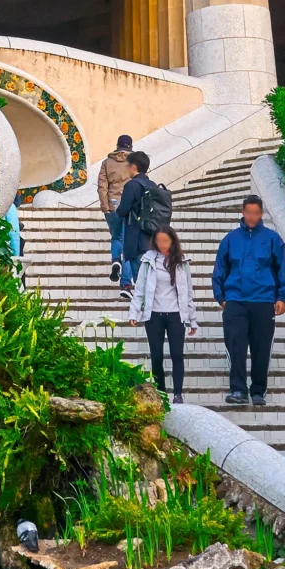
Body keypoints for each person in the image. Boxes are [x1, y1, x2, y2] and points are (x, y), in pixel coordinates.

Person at [212, 195, 285, 407]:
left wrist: (282, 296)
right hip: (235, 300)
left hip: (264, 300)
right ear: (242, 212)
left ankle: (258, 391)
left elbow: (281, 269)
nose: (252, 217)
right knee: (236, 346)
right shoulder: (230, 239)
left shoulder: (272, 239)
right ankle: (238, 390)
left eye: (256, 213)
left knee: (261, 347)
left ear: (261, 214)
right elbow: (220, 268)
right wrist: (221, 296)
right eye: (248, 212)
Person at [126, 226, 197, 402]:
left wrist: (192, 320)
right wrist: (134, 312)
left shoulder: (182, 262)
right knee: (156, 355)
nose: (162, 244)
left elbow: (188, 292)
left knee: (177, 354)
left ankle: (178, 394)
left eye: (165, 241)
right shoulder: (148, 261)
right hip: (154, 314)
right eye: (159, 241)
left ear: (172, 241)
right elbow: (140, 288)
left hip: (176, 314)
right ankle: (162, 393)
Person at [111, 150, 170, 301]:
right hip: (152, 239)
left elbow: (123, 210)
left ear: (134, 167)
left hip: (136, 240)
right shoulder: (152, 185)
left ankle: (148, 312)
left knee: (141, 280)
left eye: (128, 165)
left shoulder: (132, 186)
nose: (127, 168)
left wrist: (116, 212)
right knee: (151, 279)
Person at [96, 134, 137, 283]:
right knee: (129, 244)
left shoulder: (107, 162)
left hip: (113, 206)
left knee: (116, 237)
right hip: (130, 207)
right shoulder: (135, 162)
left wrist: (105, 207)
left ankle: (115, 260)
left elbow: (102, 186)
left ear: (117, 145)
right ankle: (126, 283)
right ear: (130, 146)